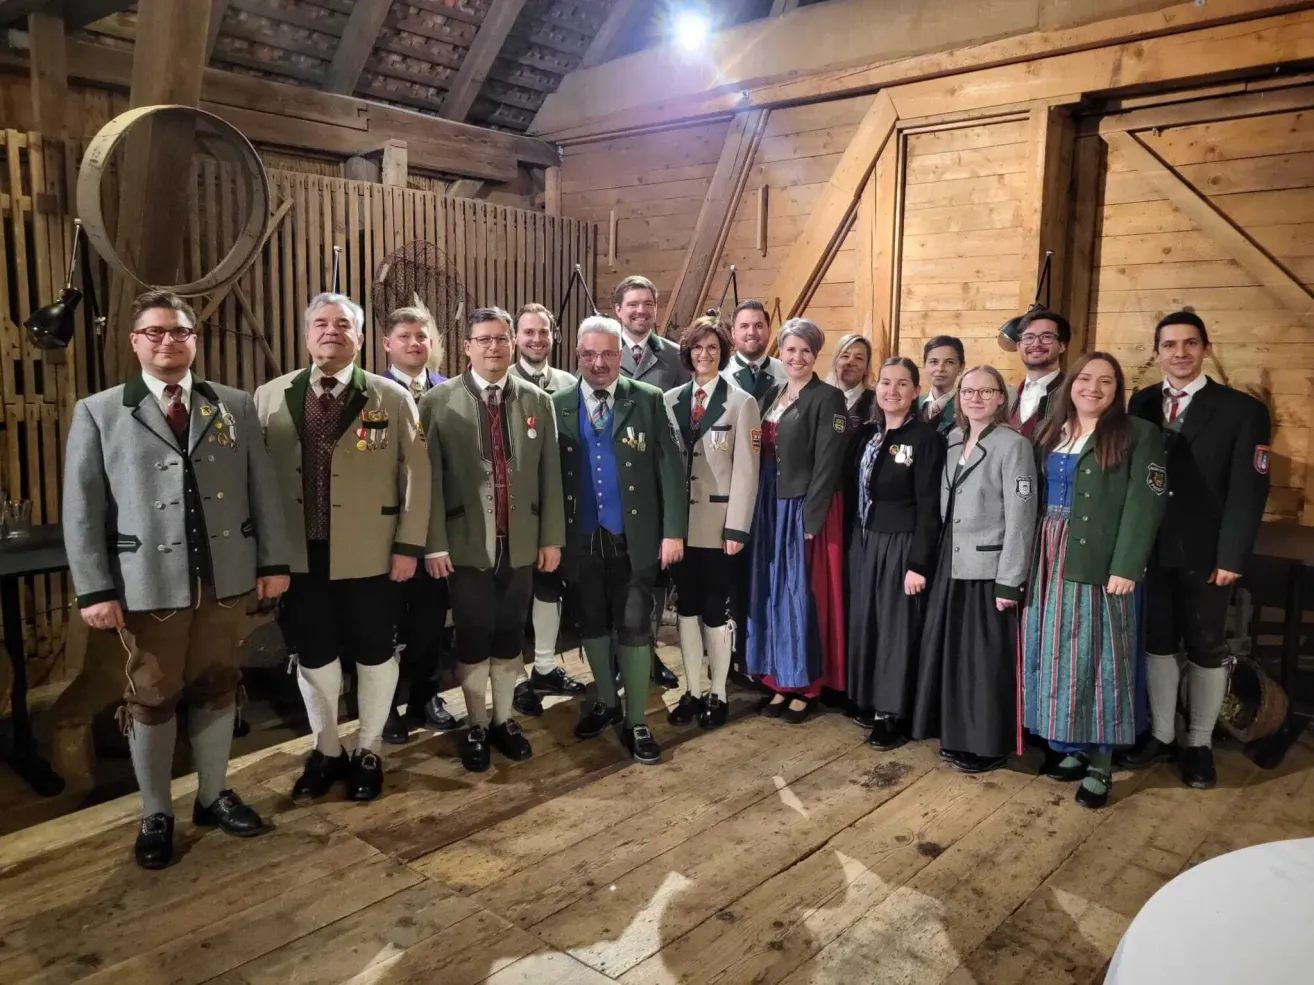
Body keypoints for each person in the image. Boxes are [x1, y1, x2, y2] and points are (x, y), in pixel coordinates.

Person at [63, 290, 290, 870]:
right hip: (147, 583)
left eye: (180, 331)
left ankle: (213, 796)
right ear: (135, 341)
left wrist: (273, 563)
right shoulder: (100, 411)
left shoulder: (233, 405)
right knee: (152, 694)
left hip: (224, 578)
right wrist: (94, 588)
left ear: (195, 339)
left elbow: (262, 489)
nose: (169, 341)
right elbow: (82, 509)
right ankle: (156, 812)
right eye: (156, 332)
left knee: (218, 682)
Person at [255, 292, 430, 803]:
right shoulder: (269, 396)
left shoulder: (390, 397)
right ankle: (327, 749)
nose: (331, 331)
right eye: (321, 323)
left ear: (360, 337)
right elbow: (254, 480)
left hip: (372, 552)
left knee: (375, 652)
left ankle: (369, 748)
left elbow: (417, 476)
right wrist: (265, 555)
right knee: (314, 654)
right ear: (307, 334)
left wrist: (408, 546)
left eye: (343, 324)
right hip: (298, 555)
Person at [1119, 311, 1271, 789]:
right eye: (1169, 345)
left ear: (1206, 348)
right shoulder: (1141, 402)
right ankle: (1163, 735)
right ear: (1157, 352)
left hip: (1207, 555)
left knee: (1206, 646)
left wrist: (1232, 556)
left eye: (1190, 343)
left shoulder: (1242, 410)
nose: (1180, 353)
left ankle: (1199, 743)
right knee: (1157, 642)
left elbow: (1249, 492)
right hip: (1149, 549)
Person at [420, 307, 564, 773]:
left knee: (509, 634)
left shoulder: (536, 400)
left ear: (513, 344)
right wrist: (434, 543)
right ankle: (476, 723)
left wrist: (550, 538)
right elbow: (427, 481)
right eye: (483, 340)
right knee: (472, 634)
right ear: (467, 347)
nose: (494, 347)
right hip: (465, 544)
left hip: (520, 542)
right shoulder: (438, 402)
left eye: (501, 339)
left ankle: (503, 719)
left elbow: (550, 476)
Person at [1021, 352, 1166, 810]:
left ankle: (1102, 764)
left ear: (1117, 390)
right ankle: (1073, 746)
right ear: (1071, 384)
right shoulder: (1052, 430)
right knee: (1057, 654)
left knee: (1100, 658)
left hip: (1099, 560)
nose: (1093, 388)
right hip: (1047, 554)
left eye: (1106, 381)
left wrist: (1127, 566)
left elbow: (1146, 504)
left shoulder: (1138, 434)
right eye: (1085, 378)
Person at [554, 315, 687, 763]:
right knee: (591, 622)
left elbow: (671, 469)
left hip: (636, 537)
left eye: (608, 354)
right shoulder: (557, 404)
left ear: (621, 356)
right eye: (589, 354)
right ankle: (607, 702)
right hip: (580, 538)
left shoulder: (647, 399)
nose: (599, 363)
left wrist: (672, 532)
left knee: (633, 625)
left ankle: (636, 720)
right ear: (577, 355)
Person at [911, 365, 1037, 772]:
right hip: (950, 561)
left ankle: (987, 743)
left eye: (986, 391)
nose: (975, 398)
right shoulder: (951, 440)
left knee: (983, 660)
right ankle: (955, 733)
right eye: (968, 391)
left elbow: (1021, 518)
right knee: (952, 653)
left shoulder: (1014, 446)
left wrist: (1010, 579)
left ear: (1001, 398)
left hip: (988, 567)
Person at [746, 318, 849, 724]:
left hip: (801, 505)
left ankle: (806, 685)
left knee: (800, 592)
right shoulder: (773, 392)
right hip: (770, 503)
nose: (797, 357)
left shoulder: (828, 398)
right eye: (790, 349)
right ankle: (778, 678)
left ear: (816, 355)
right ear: (780, 352)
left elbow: (828, 462)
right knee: (773, 589)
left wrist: (812, 518)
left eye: (806, 350)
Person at [664, 316, 761, 730]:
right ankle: (691, 689)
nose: (704, 355)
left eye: (713, 348)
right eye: (697, 348)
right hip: (679, 527)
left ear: (723, 353)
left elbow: (747, 472)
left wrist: (737, 528)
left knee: (715, 610)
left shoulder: (741, 402)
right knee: (685, 608)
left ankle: (717, 692)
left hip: (719, 527)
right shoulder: (670, 400)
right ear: (687, 353)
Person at [846, 357, 945, 748]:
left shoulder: (925, 439)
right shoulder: (867, 435)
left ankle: (892, 713)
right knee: (867, 621)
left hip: (901, 542)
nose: (892, 391)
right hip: (866, 539)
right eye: (886, 383)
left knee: (895, 628)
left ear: (916, 391)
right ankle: (868, 698)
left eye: (902, 384)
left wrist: (918, 563)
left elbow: (929, 505)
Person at [379, 306, 458, 743]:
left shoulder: (448, 392)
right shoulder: (373, 392)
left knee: (430, 622)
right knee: (384, 625)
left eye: (422, 336)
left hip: (437, 531)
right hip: (386, 532)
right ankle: (385, 705)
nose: (414, 343)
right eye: (405, 336)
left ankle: (426, 695)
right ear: (387, 344)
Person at [507, 302, 586, 716]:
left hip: (556, 504)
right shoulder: (502, 382)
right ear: (515, 338)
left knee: (549, 586)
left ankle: (544, 666)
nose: (536, 339)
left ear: (554, 336)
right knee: (514, 594)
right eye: (528, 332)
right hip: (513, 510)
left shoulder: (569, 384)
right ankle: (515, 678)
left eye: (544, 332)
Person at [615, 274, 686, 689]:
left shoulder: (675, 357)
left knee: (654, 576)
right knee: (618, 575)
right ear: (618, 310)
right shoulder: (603, 351)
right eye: (633, 304)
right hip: (615, 483)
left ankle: (649, 650)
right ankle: (621, 654)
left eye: (648, 304)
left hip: (655, 485)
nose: (641, 311)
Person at [1007, 310, 1069, 438]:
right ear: (1019, 346)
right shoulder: (1006, 397)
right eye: (1029, 337)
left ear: (1062, 346)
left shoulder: (1072, 394)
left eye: (1046, 337)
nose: (1036, 344)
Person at [723, 300, 787, 412]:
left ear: (769, 330)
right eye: (744, 326)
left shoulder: (786, 373)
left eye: (758, 326)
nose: (751, 332)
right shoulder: (719, 374)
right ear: (733, 333)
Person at [826, 333, 874, 429]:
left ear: (866, 367)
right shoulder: (820, 398)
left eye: (859, 358)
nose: (851, 362)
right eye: (845, 356)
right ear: (835, 362)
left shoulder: (876, 403)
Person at [917, 335, 963, 434]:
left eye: (949, 362)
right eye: (934, 362)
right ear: (924, 365)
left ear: (961, 367)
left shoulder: (966, 406)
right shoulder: (913, 405)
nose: (940, 369)